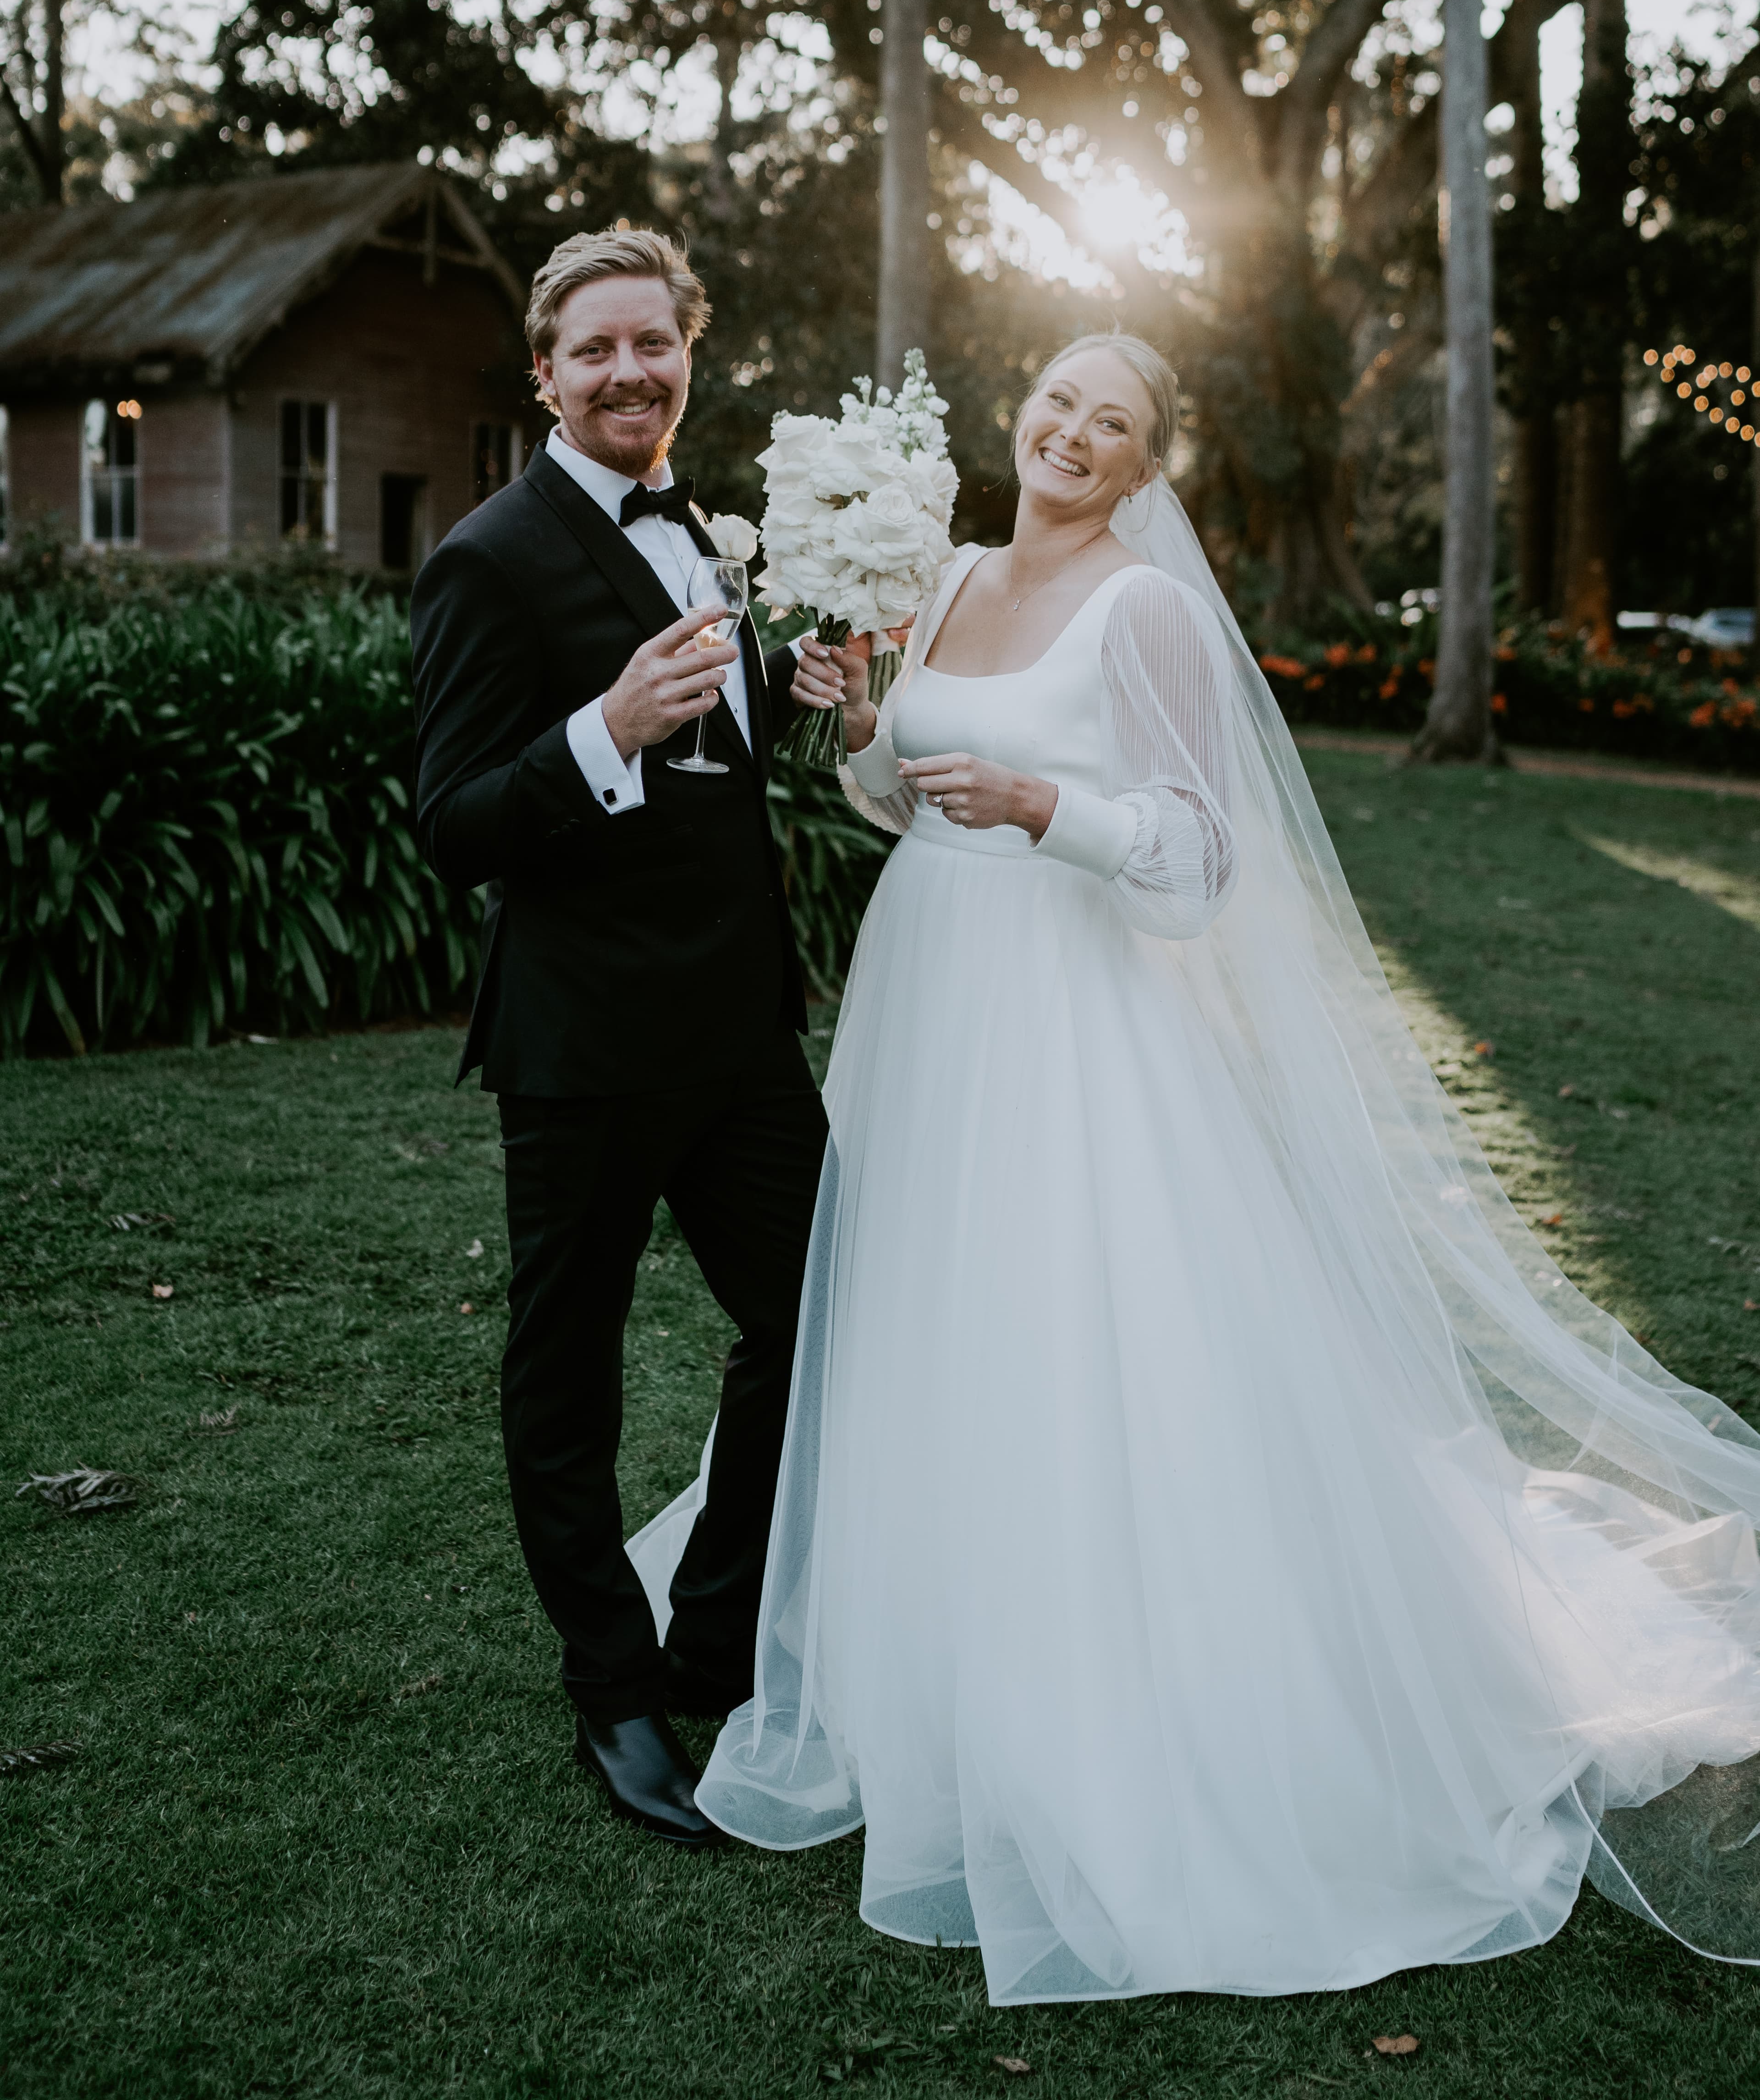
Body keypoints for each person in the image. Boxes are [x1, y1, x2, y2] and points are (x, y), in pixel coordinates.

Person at [658, 332, 1760, 1999]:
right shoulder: (946, 574)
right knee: (941, 1325)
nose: (1074, 433)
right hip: (934, 997)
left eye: (1116, 423)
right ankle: (935, 1676)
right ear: (1019, 411)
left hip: (1076, 1020)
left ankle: (1108, 1697)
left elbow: (1199, 861)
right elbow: (897, 800)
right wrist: (871, 723)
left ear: (1146, 466)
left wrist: (1055, 810)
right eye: (1059, 402)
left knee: (1085, 1333)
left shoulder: (1148, 610)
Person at [410, 227, 827, 1851]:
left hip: (739, 1035)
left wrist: (783, 688)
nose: (628, 373)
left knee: (822, 1325)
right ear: (545, 374)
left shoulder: (705, 531)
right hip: (581, 1048)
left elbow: (713, 749)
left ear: (685, 359)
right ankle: (614, 1688)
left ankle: (711, 1640)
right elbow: (453, 823)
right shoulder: (488, 559)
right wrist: (603, 730)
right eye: (594, 351)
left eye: (652, 344)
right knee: (563, 1378)